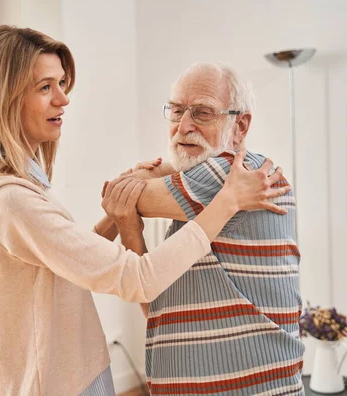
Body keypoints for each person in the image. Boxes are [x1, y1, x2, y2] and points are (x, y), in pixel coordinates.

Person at [0, 26, 289, 396]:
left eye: (62, 84)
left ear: (239, 126)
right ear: (4, 100)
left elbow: (68, 259)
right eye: (45, 87)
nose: (64, 99)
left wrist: (121, 212)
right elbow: (139, 278)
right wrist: (223, 201)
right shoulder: (10, 200)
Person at [113, 62, 304, 395]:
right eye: (175, 111)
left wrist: (137, 178)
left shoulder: (239, 172)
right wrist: (129, 226)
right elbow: (157, 306)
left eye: (202, 113)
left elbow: (118, 194)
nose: (183, 126)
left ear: (240, 126)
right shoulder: (192, 206)